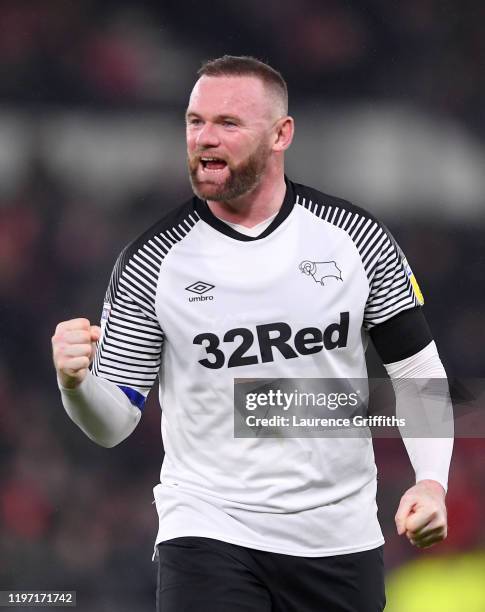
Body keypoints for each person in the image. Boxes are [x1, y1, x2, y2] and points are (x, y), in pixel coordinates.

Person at [52, 56, 453, 612]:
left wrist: (431, 482)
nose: (204, 139)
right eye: (195, 122)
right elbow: (113, 422)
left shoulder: (357, 239)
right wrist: (75, 385)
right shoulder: (152, 262)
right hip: (209, 530)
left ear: (281, 134)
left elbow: (418, 376)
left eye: (228, 123)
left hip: (340, 537)